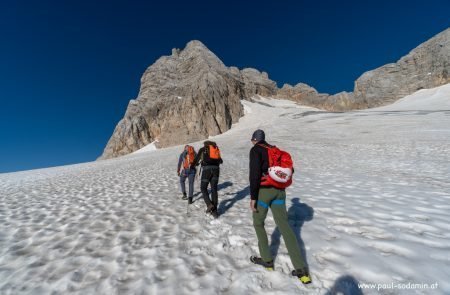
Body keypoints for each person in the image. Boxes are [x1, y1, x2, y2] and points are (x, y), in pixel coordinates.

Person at [248, 129, 311, 284]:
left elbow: (254, 174)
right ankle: (302, 271)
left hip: (264, 192)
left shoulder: (256, 150)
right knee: (285, 227)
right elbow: (289, 170)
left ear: (255, 140)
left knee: (258, 223)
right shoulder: (275, 150)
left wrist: (253, 197)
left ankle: (267, 260)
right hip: (280, 192)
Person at [191, 140, 223, 218]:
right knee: (214, 189)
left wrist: (192, 166)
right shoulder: (215, 149)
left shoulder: (203, 149)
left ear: (205, 144)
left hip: (207, 170)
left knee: (203, 188)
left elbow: (196, 159)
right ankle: (215, 212)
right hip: (216, 170)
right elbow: (221, 161)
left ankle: (209, 204)